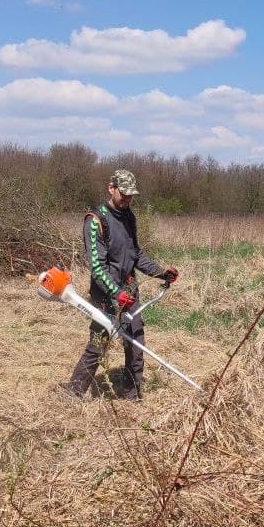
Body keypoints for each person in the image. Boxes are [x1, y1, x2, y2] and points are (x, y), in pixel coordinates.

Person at [65, 169, 178, 401]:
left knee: (136, 344)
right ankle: (73, 392)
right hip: (106, 296)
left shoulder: (129, 216)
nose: (127, 199)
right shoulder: (96, 220)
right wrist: (116, 293)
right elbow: (97, 266)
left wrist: (160, 272)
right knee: (98, 344)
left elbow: (135, 254)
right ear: (111, 188)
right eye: (123, 193)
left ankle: (131, 395)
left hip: (129, 291)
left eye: (131, 195)